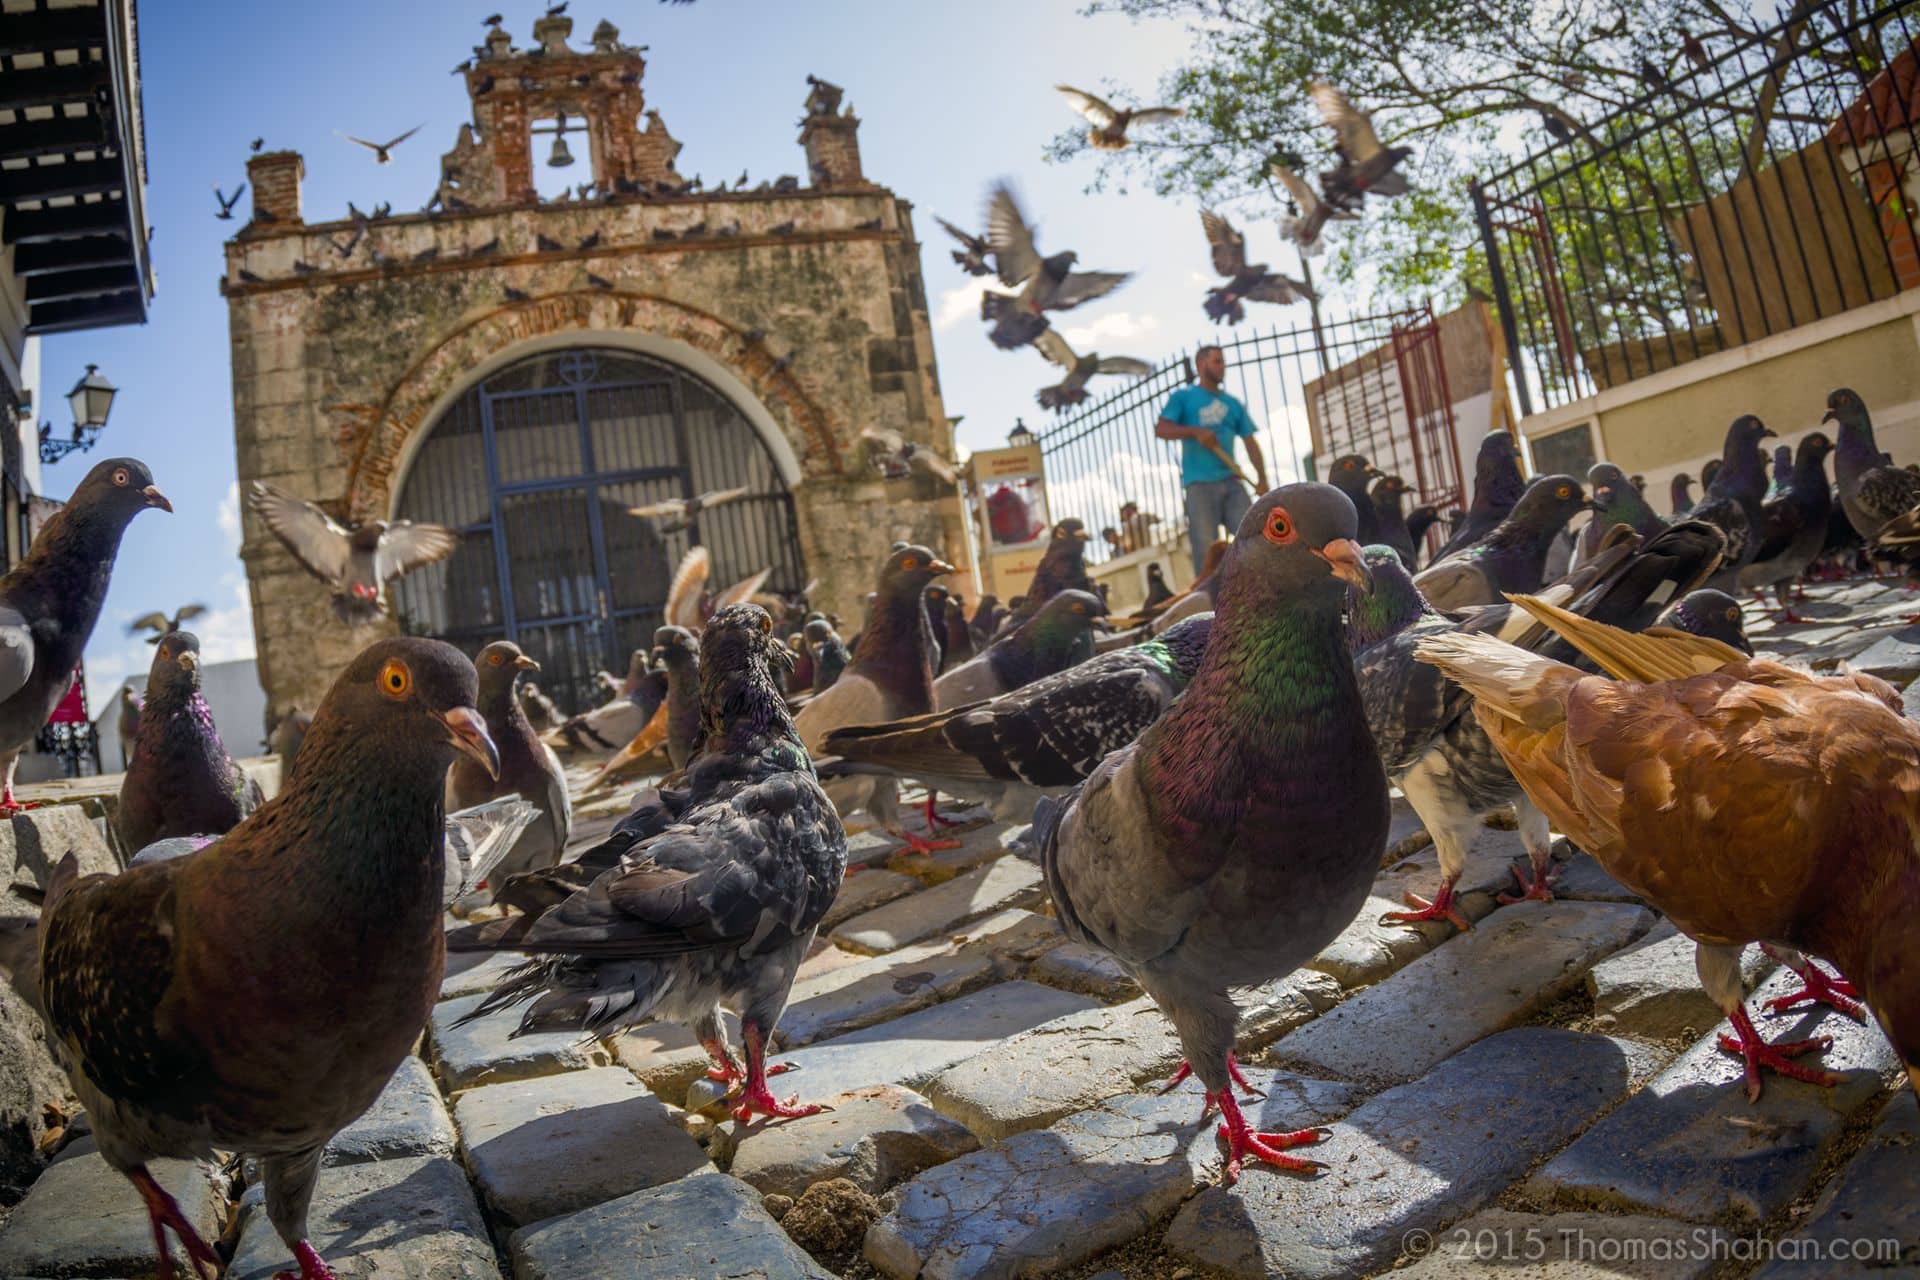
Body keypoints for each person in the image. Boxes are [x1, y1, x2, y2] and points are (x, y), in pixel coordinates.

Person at [1154, 344, 1269, 573]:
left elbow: (1250, 442)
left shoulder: (1233, 403)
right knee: (1206, 551)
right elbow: (1161, 429)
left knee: (1253, 540)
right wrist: (1195, 432)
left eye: (1222, 362)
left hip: (1232, 481)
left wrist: (1262, 478)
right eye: (1216, 361)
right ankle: (1210, 600)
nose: (1222, 367)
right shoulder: (1184, 397)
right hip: (1199, 485)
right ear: (1200, 365)